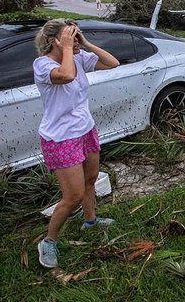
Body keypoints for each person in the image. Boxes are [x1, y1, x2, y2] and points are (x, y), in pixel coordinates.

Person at [33, 18, 120, 268]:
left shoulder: (79, 57)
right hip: (61, 138)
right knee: (72, 196)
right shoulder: (42, 64)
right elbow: (67, 76)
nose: (74, 39)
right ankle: (48, 241)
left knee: (91, 180)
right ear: (53, 41)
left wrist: (86, 43)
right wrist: (69, 49)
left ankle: (90, 220)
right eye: (69, 35)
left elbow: (113, 63)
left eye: (75, 34)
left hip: (85, 129)